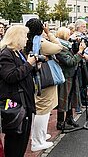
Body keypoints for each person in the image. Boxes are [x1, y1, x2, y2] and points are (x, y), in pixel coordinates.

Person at [25, 18, 63, 152]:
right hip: (44, 80)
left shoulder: (28, 41)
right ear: (41, 28)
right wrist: (50, 33)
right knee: (43, 109)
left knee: (38, 109)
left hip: (35, 79)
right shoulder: (41, 42)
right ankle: (37, 141)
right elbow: (59, 47)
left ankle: (37, 136)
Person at [0, 25, 37, 157]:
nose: (27, 39)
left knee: (22, 140)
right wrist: (29, 64)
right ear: (17, 37)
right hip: (16, 104)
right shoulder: (6, 54)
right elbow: (10, 76)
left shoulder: (18, 52)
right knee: (15, 141)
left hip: (24, 101)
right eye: (25, 36)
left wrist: (33, 66)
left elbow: (23, 71)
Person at [55, 27, 88, 130]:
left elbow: (74, 57)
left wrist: (79, 49)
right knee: (63, 98)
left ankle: (69, 118)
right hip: (65, 75)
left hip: (72, 74)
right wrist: (80, 52)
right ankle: (60, 122)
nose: (70, 36)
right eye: (69, 34)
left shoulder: (67, 45)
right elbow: (70, 62)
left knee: (70, 97)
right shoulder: (59, 48)